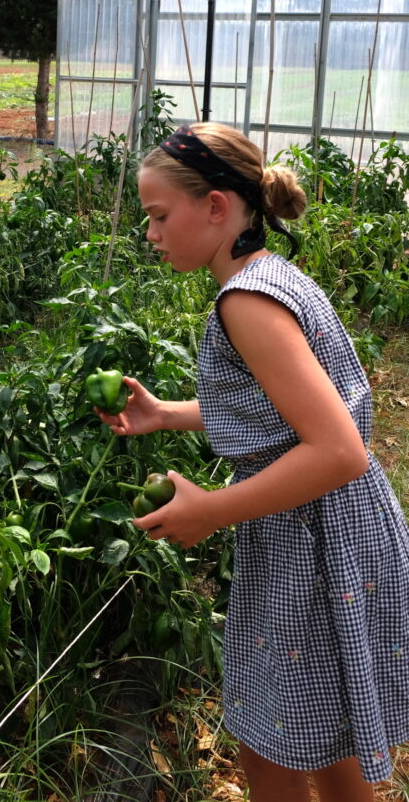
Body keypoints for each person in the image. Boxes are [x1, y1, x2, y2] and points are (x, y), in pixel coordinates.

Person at [97, 122, 409, 802]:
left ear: (215, 207)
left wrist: (209, 511)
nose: (150, 233)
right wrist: (167, 413)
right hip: (333, 531)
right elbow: (285, 411)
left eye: (157, 216)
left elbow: (338, 450)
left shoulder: (247, 302)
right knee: (324, 733)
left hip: (316, 539)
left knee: (268, 749)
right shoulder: (271, 278)